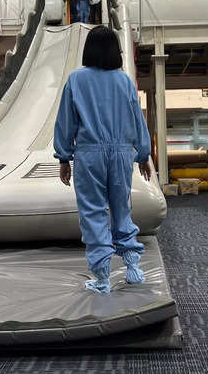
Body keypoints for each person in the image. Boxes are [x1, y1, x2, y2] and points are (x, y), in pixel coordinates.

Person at [54, 26, 152, 294]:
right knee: (122, 207)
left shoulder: (76, 80)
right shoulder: (124, 81)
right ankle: (133, 268)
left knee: (93, 212)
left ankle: (101, 277)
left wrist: (64, 157)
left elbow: (66, 122)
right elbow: (137, 119)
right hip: (122, 153)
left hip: (90, 153)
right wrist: (143, 154)